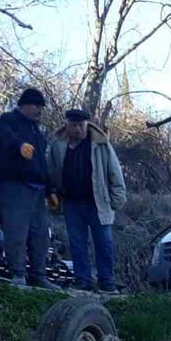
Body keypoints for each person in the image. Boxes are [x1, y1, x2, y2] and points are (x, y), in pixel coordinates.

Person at [48, 108, 127, 293]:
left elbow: (114, 172)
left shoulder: (100, 144)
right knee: (77, 244)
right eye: (73, 125)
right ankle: (83, 280)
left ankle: (106, 281)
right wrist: (52, 194)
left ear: (87, 125)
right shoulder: (57, 145)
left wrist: (117, 199)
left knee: (104, 243)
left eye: (81, 125)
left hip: (98, 203)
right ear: (67, 125)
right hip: (71, 203)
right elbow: (51, 171)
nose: (77, 129)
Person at [0, 87, 58, 289]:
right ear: (24, 105)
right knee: (16, 232)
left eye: (42, 107)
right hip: (14, 187)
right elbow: (6, 137)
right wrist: (19, 146)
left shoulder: (38, 132)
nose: (40, 110)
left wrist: (50, 190)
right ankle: (18, 274)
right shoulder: (8, 120)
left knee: (40, 235)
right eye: (36, 106)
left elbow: (42, 164)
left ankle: (39, 275)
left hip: (37, 191)